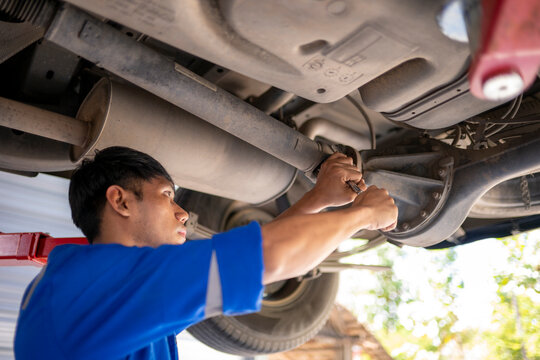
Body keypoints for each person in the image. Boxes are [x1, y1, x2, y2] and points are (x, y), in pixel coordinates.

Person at [14, 146, 397, 360]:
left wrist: (318, 199)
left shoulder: (109, 291)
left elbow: (256, 258)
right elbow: (271, 257)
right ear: (121, 201)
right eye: (167, 196)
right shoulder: (90, 287)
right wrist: (363, 214)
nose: (183, 212)